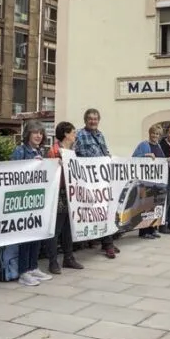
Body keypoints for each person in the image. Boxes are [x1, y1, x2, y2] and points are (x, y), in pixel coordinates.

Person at [10, 120, 53, 286]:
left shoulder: (41, 151)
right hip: (24, 199)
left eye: (40, 133)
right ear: (28, 134)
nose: (38, 135)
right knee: (25, 237)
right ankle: (23, 271)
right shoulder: (20, 151)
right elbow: (12, 173)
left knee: (36, 235)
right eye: (35, 132)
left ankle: (33, 266)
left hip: (38, 199)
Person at [74, 108, 120, 259]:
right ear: (85, 120)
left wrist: (109, 157)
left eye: (95, 119)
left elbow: (104, 151)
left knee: (104, 211)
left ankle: (107, 243)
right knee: (95, 212)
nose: (93, 121)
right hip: (88, 181)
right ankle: (105, 243)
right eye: (90, 119)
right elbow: (75, 155)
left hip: (101, 180)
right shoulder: (79, 135)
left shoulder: (100, 135)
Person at [45, 122, 84, 273]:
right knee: (57, 228)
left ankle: (69, 257)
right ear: (66, 134)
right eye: (73, 133)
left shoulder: (72, 151)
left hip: (71, 192)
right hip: (59, 192)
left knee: (68, 227)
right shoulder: (54, 151)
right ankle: (53, 261)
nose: (75, 135)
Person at [132, 125, 166, 239]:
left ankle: (152, 229)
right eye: (153, 133)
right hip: (146, 181)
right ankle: (144, 231)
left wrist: (167, 160)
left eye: (157, 134)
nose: (155, 136)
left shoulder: (159, 146)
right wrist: (145, 155)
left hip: (157, 181)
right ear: (149, 133)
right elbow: (134, 157)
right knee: (146, 206)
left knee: (155, 205)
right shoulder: (143, 145)